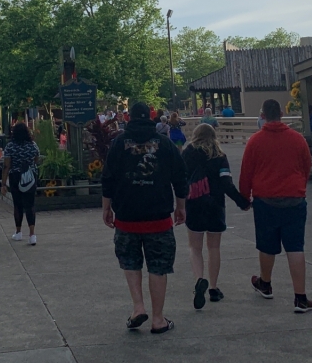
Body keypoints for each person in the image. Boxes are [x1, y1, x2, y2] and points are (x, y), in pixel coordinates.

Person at [101, 101, 187, 334]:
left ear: (129, 119)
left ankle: (138, 307)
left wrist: (106, 208)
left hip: (127, 216)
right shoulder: (165, 144)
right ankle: (158, 319)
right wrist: (181, 206)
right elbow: (180, 177)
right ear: (149, 118)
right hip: (158, 216)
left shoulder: (119, 144)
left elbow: (107, 178)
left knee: (131, 262)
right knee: (158, 267)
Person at [239, 98, 312, 313]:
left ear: (262, 115)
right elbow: (306, 166)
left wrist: (245, 198)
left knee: (266, 244)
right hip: (294, 198)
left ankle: (266, 283)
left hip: (266, 199)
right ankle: (300, 297)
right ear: (281, 113)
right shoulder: (297, 139)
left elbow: (246, 172)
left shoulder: (255, 141)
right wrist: (300, 186)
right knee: (295, 247)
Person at [182, 123, 250, 308]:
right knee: (214, 248)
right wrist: (242, 202)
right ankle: (213, 287)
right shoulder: (219, 156)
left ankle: (199, 280)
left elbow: (180, 180)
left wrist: (179, 204)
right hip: (215, 206)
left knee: (194, 248)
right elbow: (227, 184)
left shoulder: (187, 153)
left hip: (194, 204)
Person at [1, 122, 40, 245]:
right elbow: (36, 158)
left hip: (15, 176)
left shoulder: (10, 146)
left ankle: (18, 232)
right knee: (30, 204)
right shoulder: (32, 145)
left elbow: (6, 165)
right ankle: (32, 234)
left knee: (18, 205)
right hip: (30, 176)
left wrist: (3, 183)